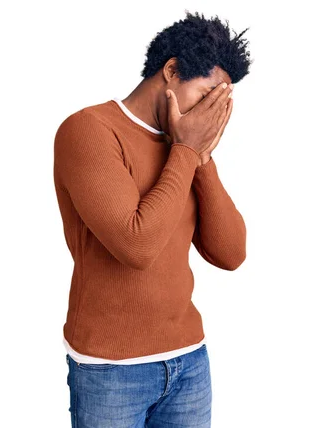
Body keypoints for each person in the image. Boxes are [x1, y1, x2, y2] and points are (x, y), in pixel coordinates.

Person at [53, 10, 252, 427]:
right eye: (205, 96)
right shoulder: (88, 130)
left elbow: (231, 253)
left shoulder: (185, 147)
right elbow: (136, 245)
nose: (211, 115)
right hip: (110, 371)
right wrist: (186, 151)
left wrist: (201, 158)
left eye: (222, 105)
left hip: (189, 360)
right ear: (172, 70)